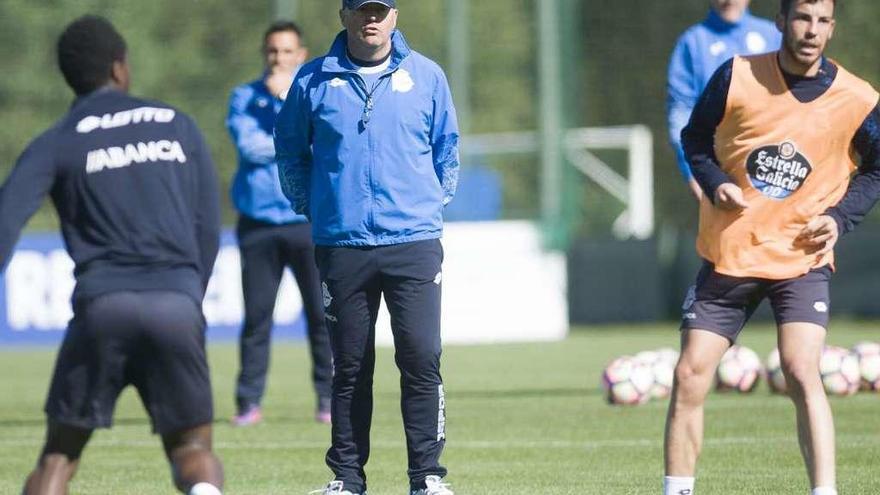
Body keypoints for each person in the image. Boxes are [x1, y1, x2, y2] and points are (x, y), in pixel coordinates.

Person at [0, 16, 224, 495]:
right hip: (176, 304)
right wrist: (187, 295)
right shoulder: (177, 124)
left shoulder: (58, 139)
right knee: (191, 448)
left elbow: (5, 221)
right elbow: (207, 225)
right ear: (120, 68)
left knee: (59, 456)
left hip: (103, 306)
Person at [663, 1, 880, 494]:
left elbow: (876, 168)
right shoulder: (737, 75)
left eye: (822, 21)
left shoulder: (858, 98)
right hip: (732, 252)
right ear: (781, 22)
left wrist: (839, 218)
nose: (811, 30)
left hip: (801, 258)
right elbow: (695, 138)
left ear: (832, 28)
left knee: (802, 369)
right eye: (802, 18)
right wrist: (716, 181)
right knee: (690, 373)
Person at [274, 0, 459, 493]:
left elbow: (447, 148)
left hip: (413, 243)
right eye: (361, 9)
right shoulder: (313, 79)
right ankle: (347, 478)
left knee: (421, 358)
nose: (370, 19)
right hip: (342, 245)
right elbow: (289, 148)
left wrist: (427, 206)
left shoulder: (427, 76)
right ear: (345, 15)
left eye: (380, 9)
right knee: (351, 366)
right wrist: (313, 206)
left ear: (394, 15)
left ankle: (427, 477)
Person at [226, 20, 333, 427]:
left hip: (306, 221)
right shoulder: (244, 97)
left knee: (321, 316)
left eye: (287, 51)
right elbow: (250, 147)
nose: (279, 58)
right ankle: (248, 402)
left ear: (300, 55)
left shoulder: (314, 95)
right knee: (257, 318)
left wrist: (288, 101)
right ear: (264, 53)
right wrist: (290, 132)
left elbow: (321, 143)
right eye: (273, 51)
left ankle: (328, 399)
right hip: (258, 224)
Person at [667, 0, 780, 200]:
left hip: (775, 169)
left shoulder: (775, 36)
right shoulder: (692, 42)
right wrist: (694, 173)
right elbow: (681, 114)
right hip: (717, 172)